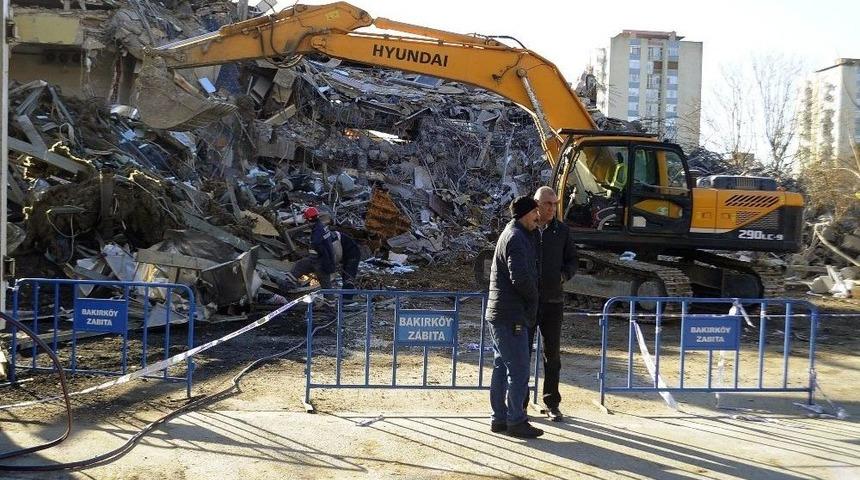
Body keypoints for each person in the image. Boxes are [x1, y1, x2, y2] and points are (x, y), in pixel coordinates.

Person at [486, 195, 543, 438]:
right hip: (512, 314)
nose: (538, 217)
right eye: (534, 213)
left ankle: (500, 419)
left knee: (501, 367)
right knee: (518, 370)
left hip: (501, 313)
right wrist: (534, 297)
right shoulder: (517, 238)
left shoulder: (514, 234)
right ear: (524, 214)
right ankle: (515, 421)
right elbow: (519, 277)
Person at [528, 186, 578, 422]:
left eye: (555, 204)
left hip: (553, 302)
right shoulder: (527, 228)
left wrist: (563, 276)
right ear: (536, 204)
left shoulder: (562, 231)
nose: (552, 208)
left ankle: (552, 403)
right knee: (522, 354)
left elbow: (572, 261)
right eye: (547, 204)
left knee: (552, 356)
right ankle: (520, 402)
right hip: (528, 302)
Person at [284, 207, 361, 292]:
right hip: (339, 250)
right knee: (304, 267)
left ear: (309, 220)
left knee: (348, 278)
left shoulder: (320, 234)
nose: (306, 223)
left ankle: (347, 301)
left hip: (352, 252)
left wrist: (329, 264)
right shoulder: (320, 227)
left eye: (306, 220)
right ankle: (334, 301)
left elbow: (331, 252)